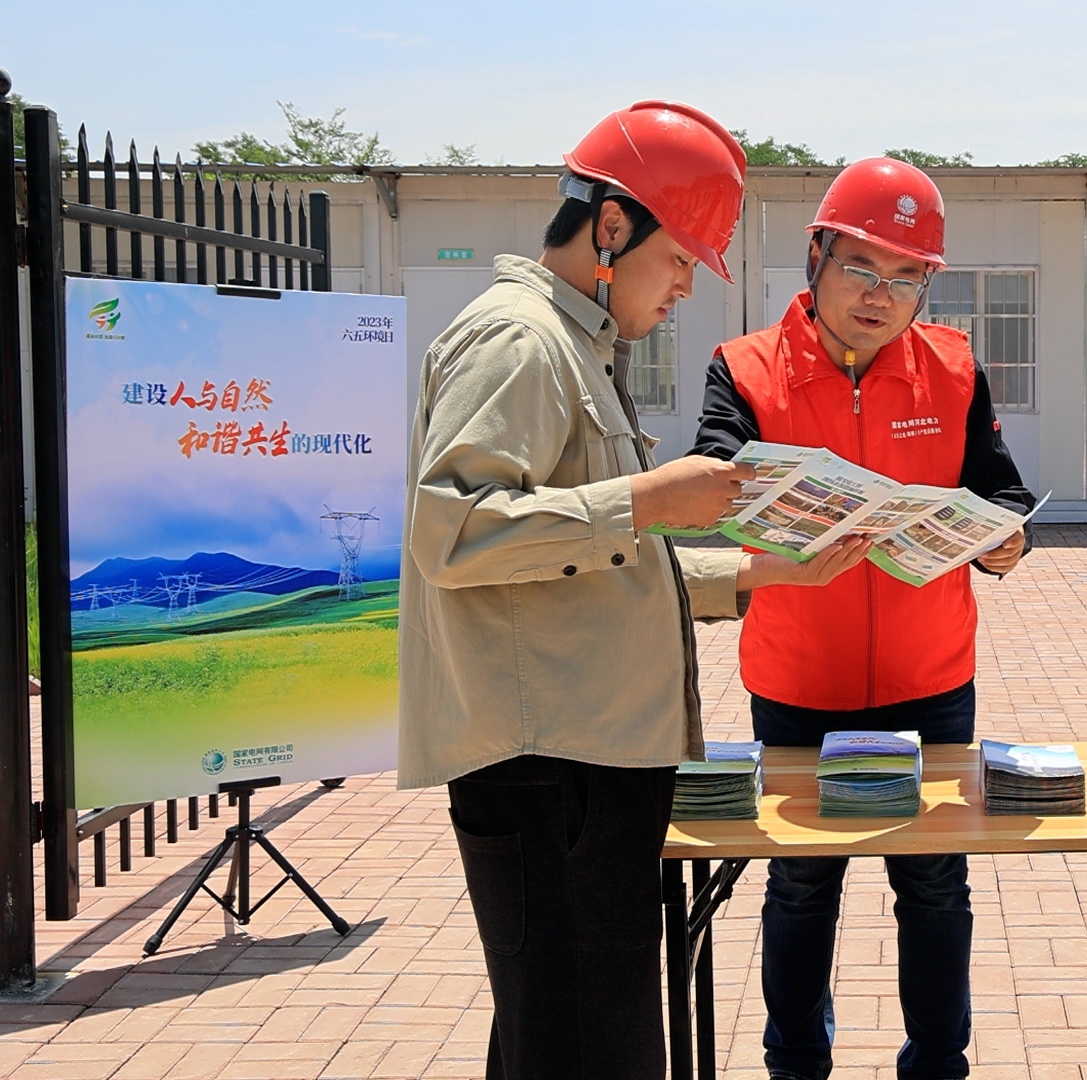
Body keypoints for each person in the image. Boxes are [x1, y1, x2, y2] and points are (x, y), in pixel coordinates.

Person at [398, 102, 864, 1080]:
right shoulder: (521, 342)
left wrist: (755, 570)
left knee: (560, 1039)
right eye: (681, 258)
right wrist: (647, 499)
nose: (687, 286)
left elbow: (590, 563)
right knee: (584, 1045)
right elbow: (455, 532)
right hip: (549, 771)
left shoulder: (575, 346)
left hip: (582, 764)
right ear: (611, 226)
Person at [690, 156, 1036, 1080]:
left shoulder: (954, 368)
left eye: (907, 276)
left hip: (932, 678)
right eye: (861, 268)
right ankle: (796, 1060)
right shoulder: (744, 369)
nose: (882, 296)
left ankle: (939, 1061)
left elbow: (999, 492)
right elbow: (711, 488)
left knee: (935, 881)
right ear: (816, 256)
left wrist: (1004, 543)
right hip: (799, 680)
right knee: (802, 881)